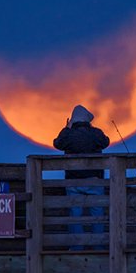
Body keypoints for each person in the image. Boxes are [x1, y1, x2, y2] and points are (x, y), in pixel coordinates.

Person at [53, 105, 110, 250]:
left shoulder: (69, 135)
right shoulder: (95, 133)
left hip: (74, 181)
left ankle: (76, 247)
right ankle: (98, 247)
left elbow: (57, 143)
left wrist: (66, 128)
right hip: (95, 180)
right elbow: (106, 142)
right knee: (97, 214)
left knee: (75, 215)